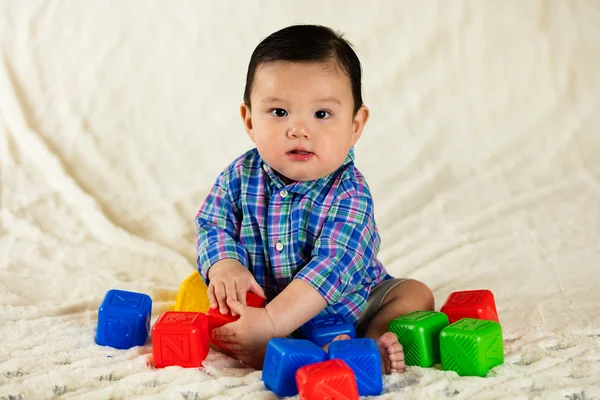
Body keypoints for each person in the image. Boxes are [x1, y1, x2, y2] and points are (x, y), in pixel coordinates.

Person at [195, 24, 434, 373]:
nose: (299, 129)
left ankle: (373, 338)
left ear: (355, 126)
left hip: (349, 304)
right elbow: (212, 223)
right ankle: (296, 345)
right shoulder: (239, 176)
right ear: (249, 120)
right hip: (263, 299)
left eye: (322, 114)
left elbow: (332, 266)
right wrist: (225, 264)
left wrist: (273, 323)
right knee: (218, 301)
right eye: (279, 112)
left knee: (415, 293)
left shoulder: (349, 192)